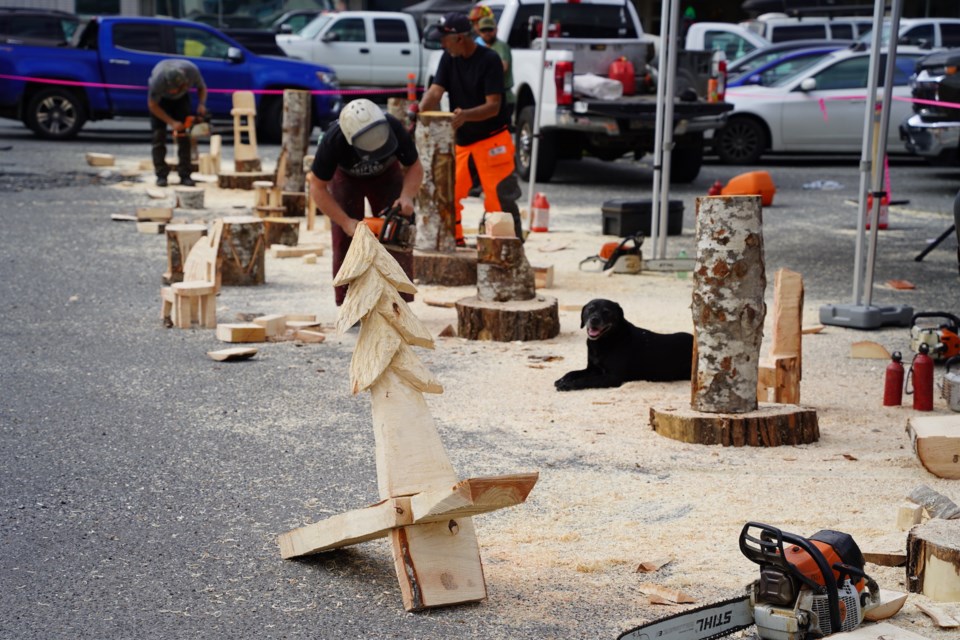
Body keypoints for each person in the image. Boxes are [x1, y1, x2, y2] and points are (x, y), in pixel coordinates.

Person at [307, 98, 423, 306]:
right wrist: (345, 221)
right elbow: (317, 187)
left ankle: (399, 302)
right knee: (346, 239)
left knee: (397, 231)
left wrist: (406, 196)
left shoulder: (393, 126)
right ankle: (349, 303)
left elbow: (414, 166)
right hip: (346, 177)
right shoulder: (334, 140)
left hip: (387, 174)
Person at [419, 12, 523, 244]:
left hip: (493, 139)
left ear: (459, 38)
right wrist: (421, 114)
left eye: (445, 39)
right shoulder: (448, 58)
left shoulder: (489, 60)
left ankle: (509, 249)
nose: (442, 43)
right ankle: (454, 242)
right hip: (464, 140)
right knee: (449, 194)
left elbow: (493, 106)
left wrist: (466, 115)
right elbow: (436, 91)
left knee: (499, 199)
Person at [147, 59, 207, 187]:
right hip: (161, 102)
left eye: (176, 89)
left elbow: (201, 87)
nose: (173, 92)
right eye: (171, 89)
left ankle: (185, 174)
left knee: (184, 135)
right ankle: (161, 175)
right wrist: (172, 122)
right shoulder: (158, 80)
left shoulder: (192, 72)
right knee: (158, 136)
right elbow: (152, 105)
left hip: (181, 100)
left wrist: (201, 104)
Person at [477, 15, 513, 107]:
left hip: (503, 98)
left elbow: (503, 67)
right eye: (484, 30)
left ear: (496, 30)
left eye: (490, 30)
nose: (487, 33)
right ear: (479, 32)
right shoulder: (484, 47)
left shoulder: (500, 46)